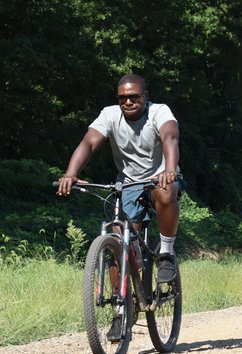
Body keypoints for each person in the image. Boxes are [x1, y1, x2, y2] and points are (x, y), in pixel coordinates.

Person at [57, 73, 182, 284]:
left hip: (160, 179)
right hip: (129, 183)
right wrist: (71, 173)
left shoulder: (159, 112)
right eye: (122, 98)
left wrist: (169, 169)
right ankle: (120, 306)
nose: (128, 101)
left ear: (145, 96)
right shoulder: (110, 115)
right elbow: (89, 143)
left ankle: (166, 254)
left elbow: (170, 137)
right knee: (118, 241)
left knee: (166, 190)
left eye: (134, 96)